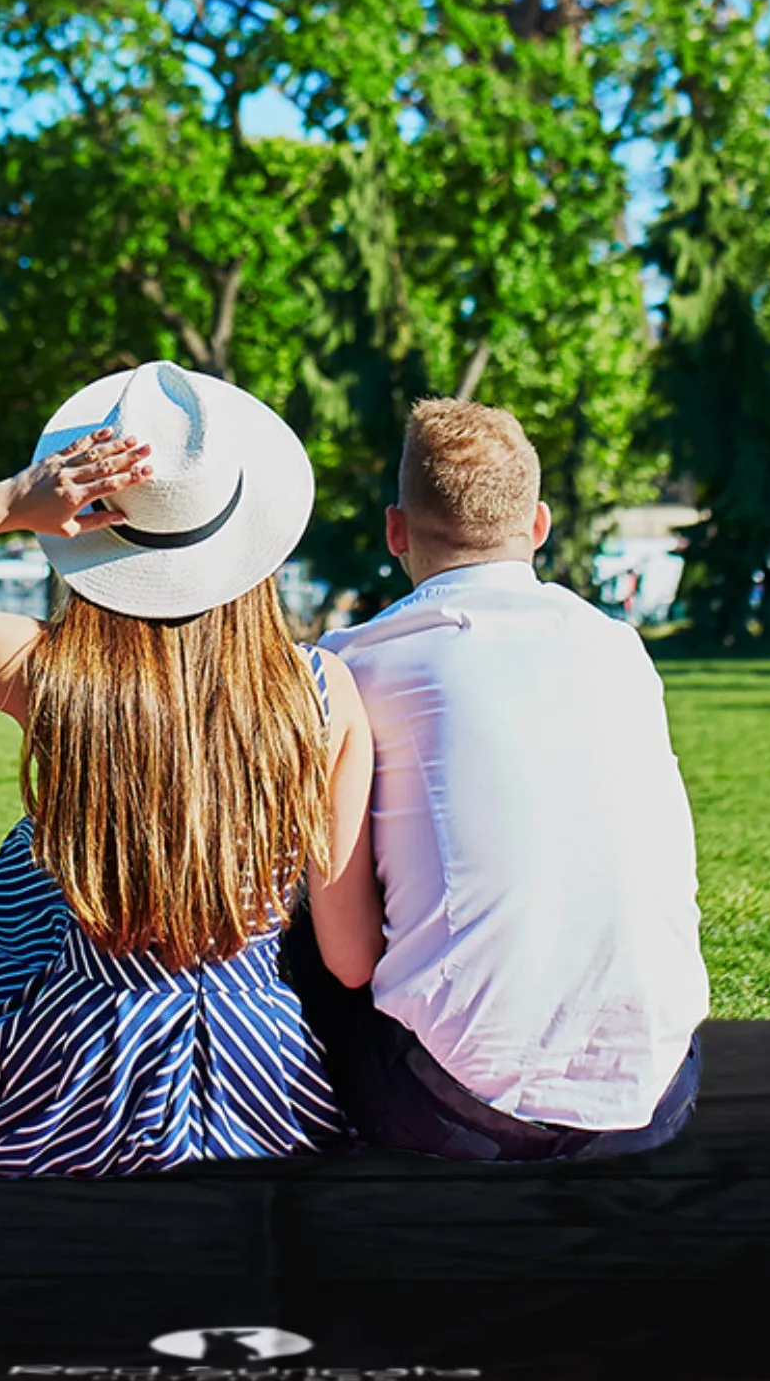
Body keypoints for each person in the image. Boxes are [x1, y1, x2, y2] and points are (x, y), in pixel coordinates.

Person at [0, 359, 380, 1175]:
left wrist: (0, 504)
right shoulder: (322, 690)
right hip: (260, 1088)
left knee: (30, 854)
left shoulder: (44, 670)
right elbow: (349, 956)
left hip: (63, 1085)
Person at [284, 398, 708, 1162]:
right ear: (539, 525)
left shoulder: (355, 665)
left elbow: (347, 960)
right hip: (655, 1095)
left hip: (450, 1112)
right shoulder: (618, 650)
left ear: (395, 532)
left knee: (292, 898)